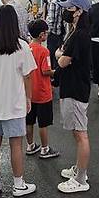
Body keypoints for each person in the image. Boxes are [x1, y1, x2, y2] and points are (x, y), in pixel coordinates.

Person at [0, 4, 38, 197]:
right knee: (16, 145)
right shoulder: (22, 46)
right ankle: (18, 184)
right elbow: (28, 76)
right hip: (14, 104)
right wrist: (29, 98)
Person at [55, 0, 92, 193]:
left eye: (69, 8)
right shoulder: (76, 31)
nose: (66, 12)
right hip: (73, 86)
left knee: (80, 134)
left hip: (77, 88)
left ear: (78, 11)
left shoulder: (80, 35)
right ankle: (79, 169)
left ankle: (81, 179)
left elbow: (62, 61)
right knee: (77, 132)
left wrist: (59, 54)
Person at [25, 19, 60, 159]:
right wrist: (56, 72)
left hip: (29, 92)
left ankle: (30, 145)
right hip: (43, 93)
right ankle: (45, 149)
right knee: (43, 123)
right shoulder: (44, 51)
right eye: (46, 32)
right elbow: (46, 71)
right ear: (41, 35)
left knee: (29, 121)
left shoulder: (26, 48)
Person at [43, 0, 64, 70]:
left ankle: (54, 76)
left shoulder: (53, 2)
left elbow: (51, 20)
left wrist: (46, 32)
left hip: (54, 33)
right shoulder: (56, 0)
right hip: (57, 33)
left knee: (52, 55)